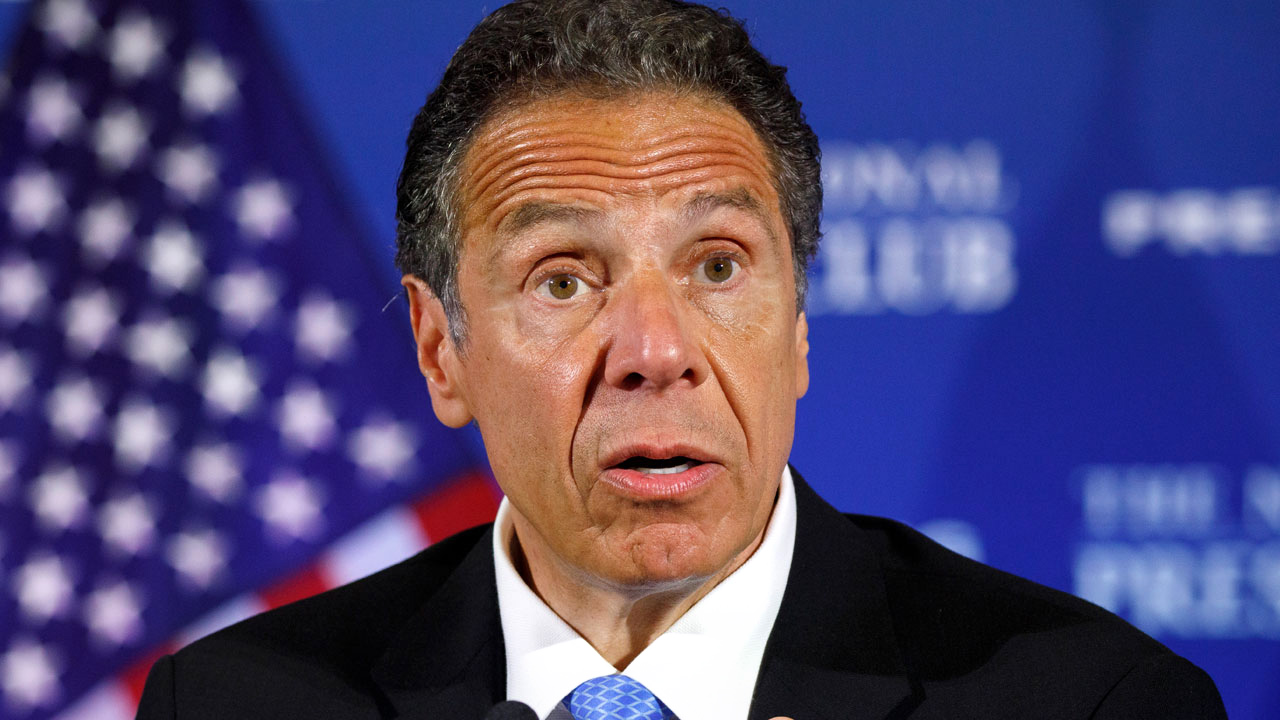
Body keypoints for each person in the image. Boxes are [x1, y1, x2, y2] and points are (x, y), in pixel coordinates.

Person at [136, 1, 1227, 718]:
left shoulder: (1088, 704)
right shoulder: (236, 706)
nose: (656, 354)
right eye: (563, 280)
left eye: (716, 266)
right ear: (439, 351)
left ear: (796, 325)